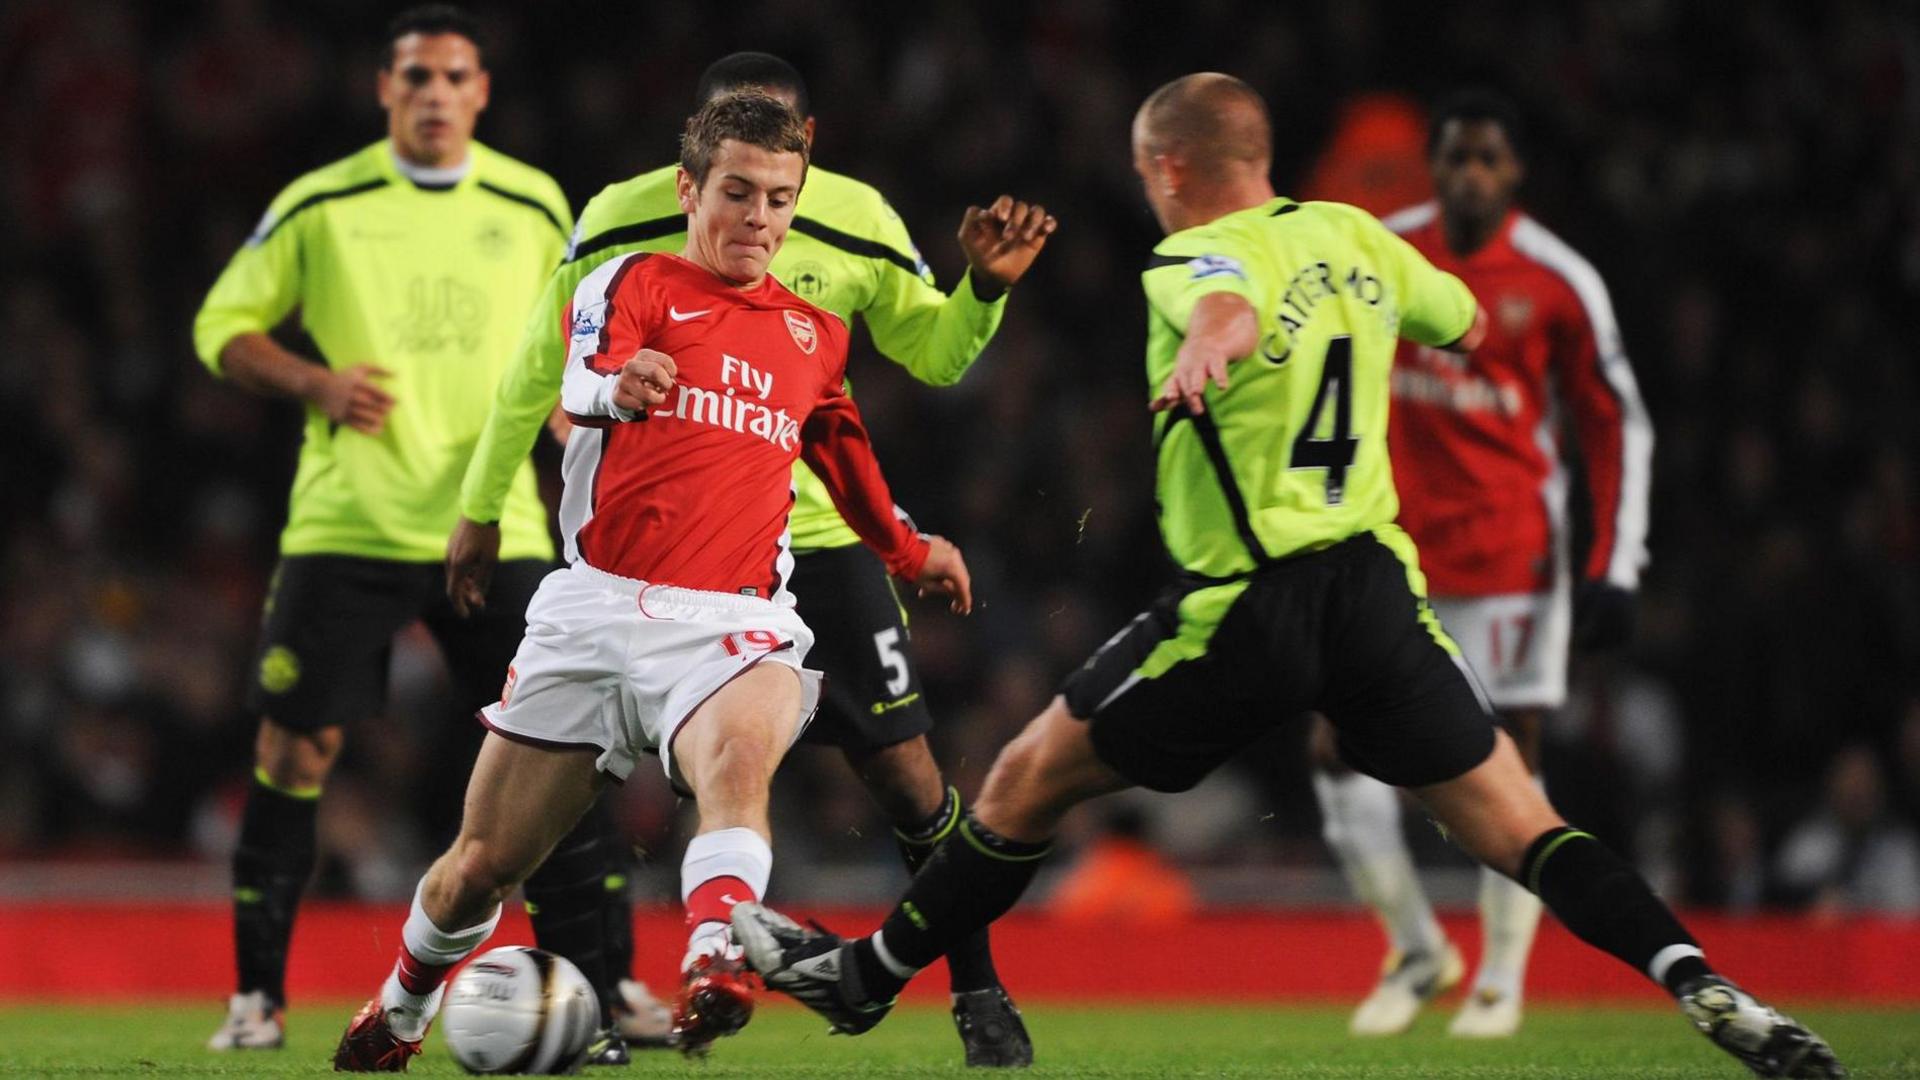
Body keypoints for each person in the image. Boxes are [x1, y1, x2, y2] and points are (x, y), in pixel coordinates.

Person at [731, 74, 1845, 1080]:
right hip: (1373, 593)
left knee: (1025, 779)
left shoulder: (1185, 257)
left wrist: (1221, 337)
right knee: (1519, 821)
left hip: (1245, 603)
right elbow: (1457, 319)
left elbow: (1225, 298)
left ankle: (863, 980)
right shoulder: (1360, 238)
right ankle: (1698, 978)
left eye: (1142, 173)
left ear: (1168, 168)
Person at [333, 90, 974, 1072]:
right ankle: (401, 1006)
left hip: (732, 621)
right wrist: (614, 389)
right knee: (481, 868)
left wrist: (908, 550)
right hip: (592, 611)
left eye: (779, 198)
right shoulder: (632, 280)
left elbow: (844, 457)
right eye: (738, 192)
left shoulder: (813, 334)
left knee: (738, 771)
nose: (759, 217)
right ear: (690, 188)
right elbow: (581, 371)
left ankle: (718, 957)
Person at [189, 3, 617, 1055]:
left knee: (556, 758)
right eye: (415, 77)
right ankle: (257, 1003)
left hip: (498, 520)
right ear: (385, 89)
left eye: (454, 77)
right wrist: (312, 380)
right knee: (296, 747)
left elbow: (566, 342)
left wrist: (571, 418)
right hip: (352, 522)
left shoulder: (531, 204)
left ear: (481, 92)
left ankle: (600, 1002)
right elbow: (219, 327)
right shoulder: (323, 203)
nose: (434, 94)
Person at [1308, 88, 1655, 1039]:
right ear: (1434, 164)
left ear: (1515, 171)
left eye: (1486, 160)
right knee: (1337, 756)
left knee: (1507, 764)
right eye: (1454, 158)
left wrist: (1613, 564)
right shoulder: (1384, 247)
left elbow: (1614, 421)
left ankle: (1502, 976)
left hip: (1511, 559)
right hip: (1391, 555)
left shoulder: (1556, 279)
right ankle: (1419, 949)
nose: (1468, 176)